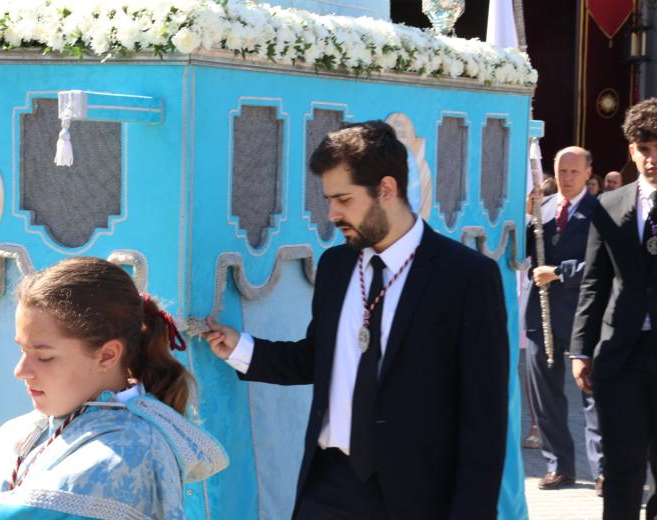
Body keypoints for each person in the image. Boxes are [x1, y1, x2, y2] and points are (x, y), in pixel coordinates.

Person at [205, 121, 509, 519]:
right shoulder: (336, 266)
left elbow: (483, 417)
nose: (332, 213)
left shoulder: (467, 277)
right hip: (329, 486)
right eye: (330, 199)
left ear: (386, 189)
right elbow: (320, 358)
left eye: (344, 199)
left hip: (418, 497)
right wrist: (242, 349)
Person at [0, 257, 228, 518]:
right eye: (22, 351)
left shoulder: (132, 450)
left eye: (44, 356)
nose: (21, 371)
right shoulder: (21, 432)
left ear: (107, 355)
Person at [571, 98, 657, 519]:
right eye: (643, 148)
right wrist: (580, 349)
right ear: (631, 151)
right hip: (621, 358)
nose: (653, 158)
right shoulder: (609, 206)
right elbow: (595, 281)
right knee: (620, 474)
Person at [524, 146, 604, 494]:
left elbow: (604, 265)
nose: (566, 179)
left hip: (583, 317)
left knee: (593, 398)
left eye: (574, 172)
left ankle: (604, 471)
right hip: (539, 317)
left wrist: (559, 272)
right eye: (561, 172)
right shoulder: (541, 209)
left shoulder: (601, 211)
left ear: (588, 173)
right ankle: (559, 467)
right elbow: (523, 250)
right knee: (545, 396)